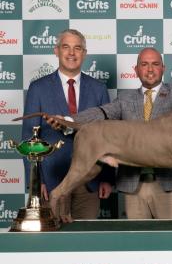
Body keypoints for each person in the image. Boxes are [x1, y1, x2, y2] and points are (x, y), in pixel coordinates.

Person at [63, 47, 172, 219]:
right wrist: (69, 119)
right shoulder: (125, 98)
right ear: (136, 70)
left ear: (163, 68)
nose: (150, 69)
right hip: (134, 186)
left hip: (170, 186)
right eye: (144, 64)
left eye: (155, 64)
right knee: (137, 243)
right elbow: (102, 112)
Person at [22, 29, 113, 219]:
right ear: (56, 51)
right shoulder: (38, 88)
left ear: (84, 54)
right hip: (52, 180)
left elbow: (108, 136)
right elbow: (29, 136)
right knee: (52, 243)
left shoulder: (98, 89)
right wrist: (37, 181)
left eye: (77, 48)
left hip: (89, 181)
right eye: (66, 47)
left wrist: (107, 178)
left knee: (85, 243)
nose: (72, 53)